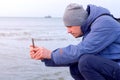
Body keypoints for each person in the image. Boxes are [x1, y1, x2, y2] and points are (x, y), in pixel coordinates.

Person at [30, 3, 120, 80]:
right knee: (75, 66)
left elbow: (82, 51)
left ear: (80, 22)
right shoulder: (91, 27)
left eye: (70, 26)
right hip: (113, 67)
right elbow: (76, 56)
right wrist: (44, 57)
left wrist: (50, 54)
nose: (68, 31)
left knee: (86, 61)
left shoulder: (104, 23)